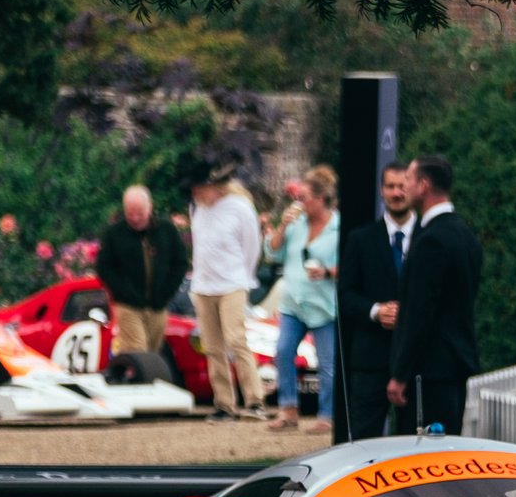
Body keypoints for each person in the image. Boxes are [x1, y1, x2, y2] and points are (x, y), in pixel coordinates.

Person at [381, 154, 484, 434]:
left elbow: (419, 312)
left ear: (424, 185)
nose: (404, 187)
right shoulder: (465, 234)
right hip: (454, 365)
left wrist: (400, 374)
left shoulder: (432, 240)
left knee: (420, 459)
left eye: (410, 180)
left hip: (429, 372)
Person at [338, 159, 418, 440]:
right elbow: (345, 296)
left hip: (416, 362)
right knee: (364, 443)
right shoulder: (360, 239)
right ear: (381, 191)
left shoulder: (428, 237)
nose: (396, 193)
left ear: (413, 188)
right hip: (371, 359)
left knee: (415, 446)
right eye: (390, 186)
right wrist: (375, 311)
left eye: (402, 186)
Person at [185, 156, 267, 417]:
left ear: (214, 186)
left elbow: (251, 246)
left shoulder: (239, 207)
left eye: (200, 187)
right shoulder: (196, 208)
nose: (196, 193)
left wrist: (244, 276)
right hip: (204, 285)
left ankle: (254, 400)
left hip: (232, 283)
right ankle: (224, 403)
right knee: (212, 346)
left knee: (236, 340)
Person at [268, 164, 339, 430]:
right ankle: (288, 411)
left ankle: (327, 416)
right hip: (293, 302)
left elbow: (354, 263)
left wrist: (328, 272)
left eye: (304, 198)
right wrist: (282, 227)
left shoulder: (338, 227)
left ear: (320, 199)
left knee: (327, 363)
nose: (299, 203)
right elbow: (273, 253)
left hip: (324, 305)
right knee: (283, 351)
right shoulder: (295, 224)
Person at [97, 181, 186, 357]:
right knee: (137, 350)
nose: (135, 218)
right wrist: (122, 291)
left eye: (140, 213)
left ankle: (127, 376)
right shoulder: (115, 234)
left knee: (152, 354)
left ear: (150, 208)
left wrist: (166, 292)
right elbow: (103, 267)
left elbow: (180, 263)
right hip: (128, 305)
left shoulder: (166, 231)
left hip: (158, 306)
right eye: (130, 214)